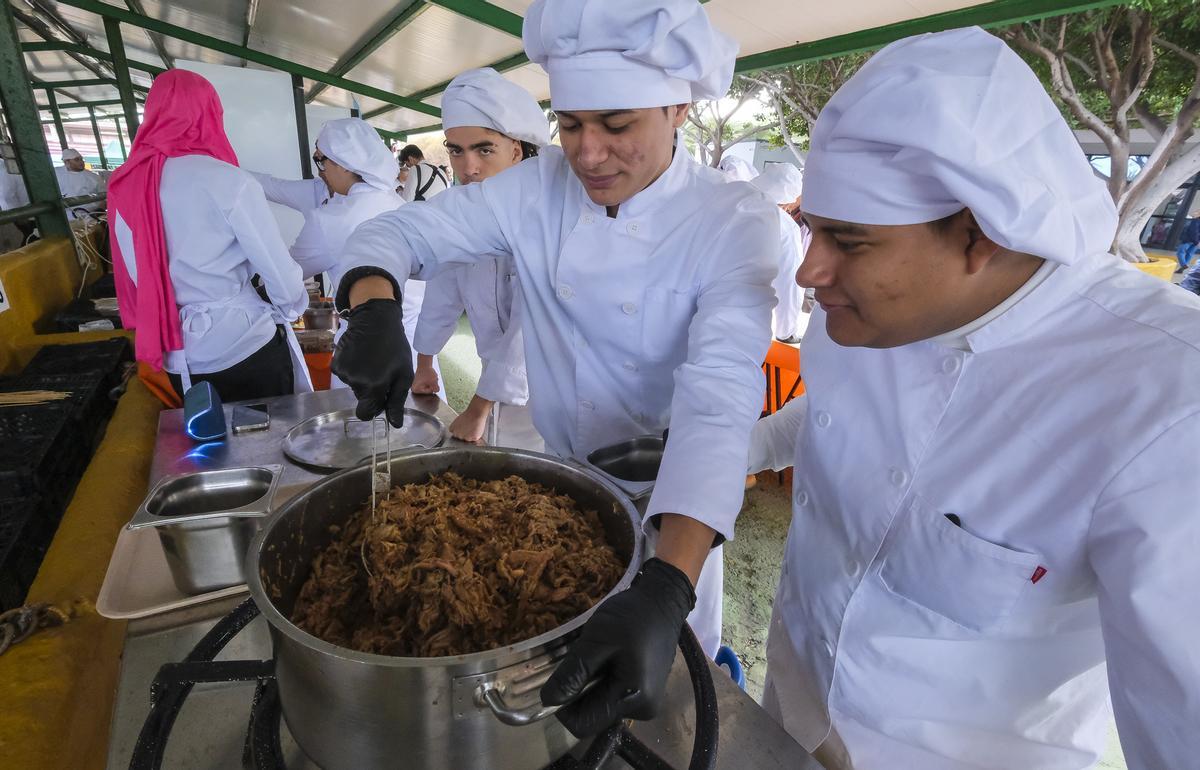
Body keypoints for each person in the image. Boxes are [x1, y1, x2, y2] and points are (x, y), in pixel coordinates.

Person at [747, 27, 1200, 769]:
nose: (809, 272)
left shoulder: (1166, 404)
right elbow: (839, 410)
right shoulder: (858, 315)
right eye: (810, 231)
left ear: (978, 233)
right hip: (790, 715)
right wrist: (750, 446)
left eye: (847, 241)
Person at [331, 0, 777, 734]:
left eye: (616, 125)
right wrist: (374, 305)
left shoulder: (734, 223)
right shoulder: (536, 192)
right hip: (566, 492)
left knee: (662, 703)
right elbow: (405, 229)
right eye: (570, 126)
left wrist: (667, 587)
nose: (588, 153)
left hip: (680, 513)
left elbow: (719, 401)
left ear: (679, 109)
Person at [107, 69, 310, 402]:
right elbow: (275, 265)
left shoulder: (126, 184)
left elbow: (133, 273)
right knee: (270, 445)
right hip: (244, 345)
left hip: (176, 353)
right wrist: (291, 308)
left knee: (208, 449)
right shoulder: (227, 180)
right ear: (209, 114)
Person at [246, 119, 441, 395]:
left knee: (361, 430)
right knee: (422, 430)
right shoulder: (394, 201)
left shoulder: (332, 219)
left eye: (322, 162)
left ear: (345, 163)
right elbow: (274, 186)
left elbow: (285, 275)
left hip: (366, 347)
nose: (320, 172)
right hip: (418, 349)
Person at [410, 68, 544, 445]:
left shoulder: (545, 216)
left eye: (484, 149)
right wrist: (424, 363)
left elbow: (528, 326)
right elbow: (443, 291)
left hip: (553, 386)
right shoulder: (463, 214)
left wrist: (478, 408)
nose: (468, 168)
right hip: (495, 379)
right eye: (457, 151)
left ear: (516, 149)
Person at [750, 163, 810, 343]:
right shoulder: (781, 223)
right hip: (741, 319)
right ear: (790, 197)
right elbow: (790, 282)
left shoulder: (723, 204)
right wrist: (786, 331)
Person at [56, 148, 104, 220]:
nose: (81, 162)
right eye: (77, 160)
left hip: (91, 215)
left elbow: (104, 195)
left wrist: (99, 211)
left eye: (81, 159)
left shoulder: (93, 176)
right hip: (67, 217)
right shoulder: (57, 173)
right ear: (67, 162)